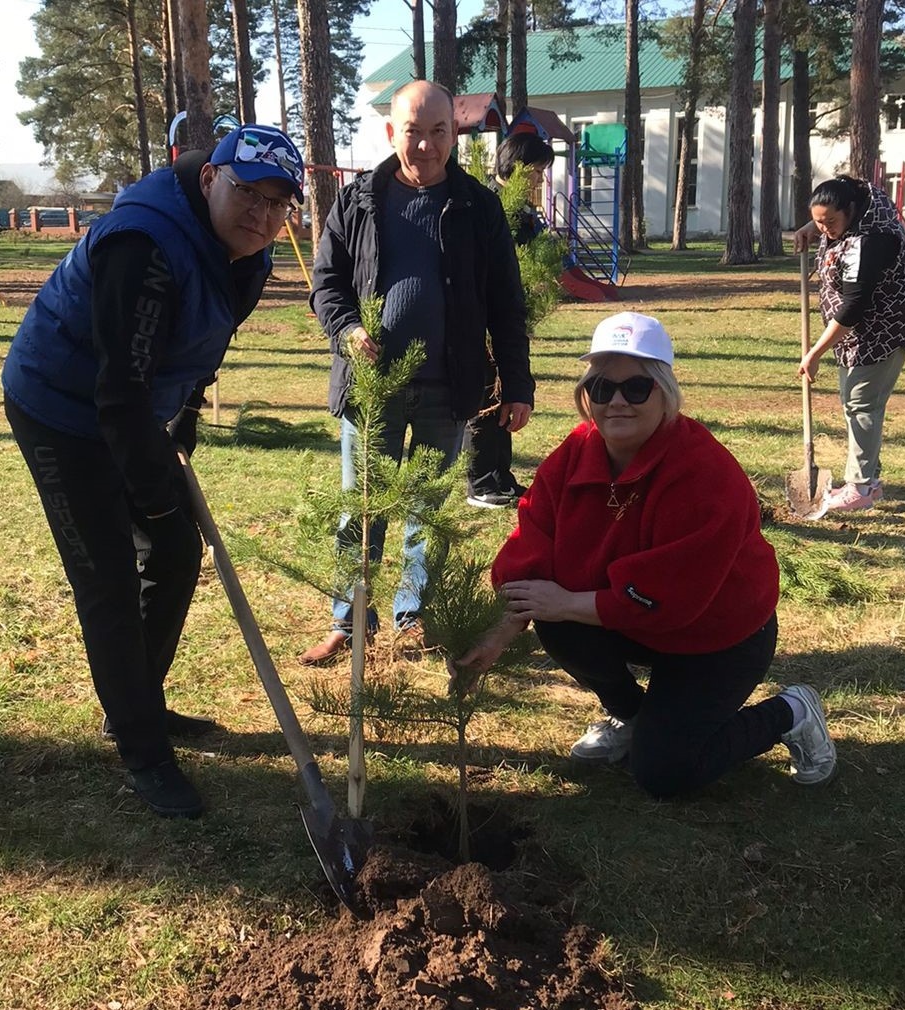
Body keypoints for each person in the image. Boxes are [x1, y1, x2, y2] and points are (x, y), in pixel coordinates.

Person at [1, 125, 306, 818]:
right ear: (208, 180)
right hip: (59, 406)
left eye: (276, 203)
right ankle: (142, 752)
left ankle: (135, 704)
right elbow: (120, 391)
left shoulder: (245, 255)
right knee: (106, 579)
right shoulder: (143, 247)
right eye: (245, 192)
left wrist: (186, 421)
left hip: (133, 409)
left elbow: (199, 350)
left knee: (173, 553)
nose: (259, 213)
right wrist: (154, 492)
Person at [458, 312, 837, 797]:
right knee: (554, 618)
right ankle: (634, 718)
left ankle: (792, 712)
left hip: (716, 636)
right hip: (630, 618)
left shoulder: (703, 473)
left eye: (636, 388)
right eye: (601, 388)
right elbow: (531, 543)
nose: (616, 401)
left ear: (665, 393)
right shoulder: (574, 455)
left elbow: (674, 597)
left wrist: (567, 603)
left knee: (666, 774)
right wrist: (498, 634)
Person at [299, 80, 535, 666]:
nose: (426, 146)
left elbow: (507, 303)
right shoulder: (357, 201)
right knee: (364, 506)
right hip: (372, 388)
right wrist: (348, 330)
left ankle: (413, 618)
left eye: (439, 132)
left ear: (454, 134)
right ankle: (349, 620)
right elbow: (326, 284)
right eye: (413, 131)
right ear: (390, 132)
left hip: (448, 387)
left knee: (425, 506)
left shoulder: (478, 207)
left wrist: (518, 384)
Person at [793, 175, 905, 512]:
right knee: (857, 399)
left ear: (850, 210)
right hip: (862, 326)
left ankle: (860, 487)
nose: (826, 229)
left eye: (831, 222)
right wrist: (812, 226)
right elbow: (830, 217)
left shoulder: (871, 240)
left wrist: (815, 353)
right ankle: (869, 477)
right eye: (820, 220)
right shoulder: (855, 207)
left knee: (861, 401)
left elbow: (854, 306)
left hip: (887, 324)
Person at [465, 132, 555, 510]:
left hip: (508, 318)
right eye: (537, 171)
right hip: (483, 322)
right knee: (486, 401)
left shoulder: (519, 209)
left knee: (507, 400)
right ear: (517, 168)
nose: (540, 180)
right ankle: (481, 481)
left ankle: (500, 474)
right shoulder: (491, 206)